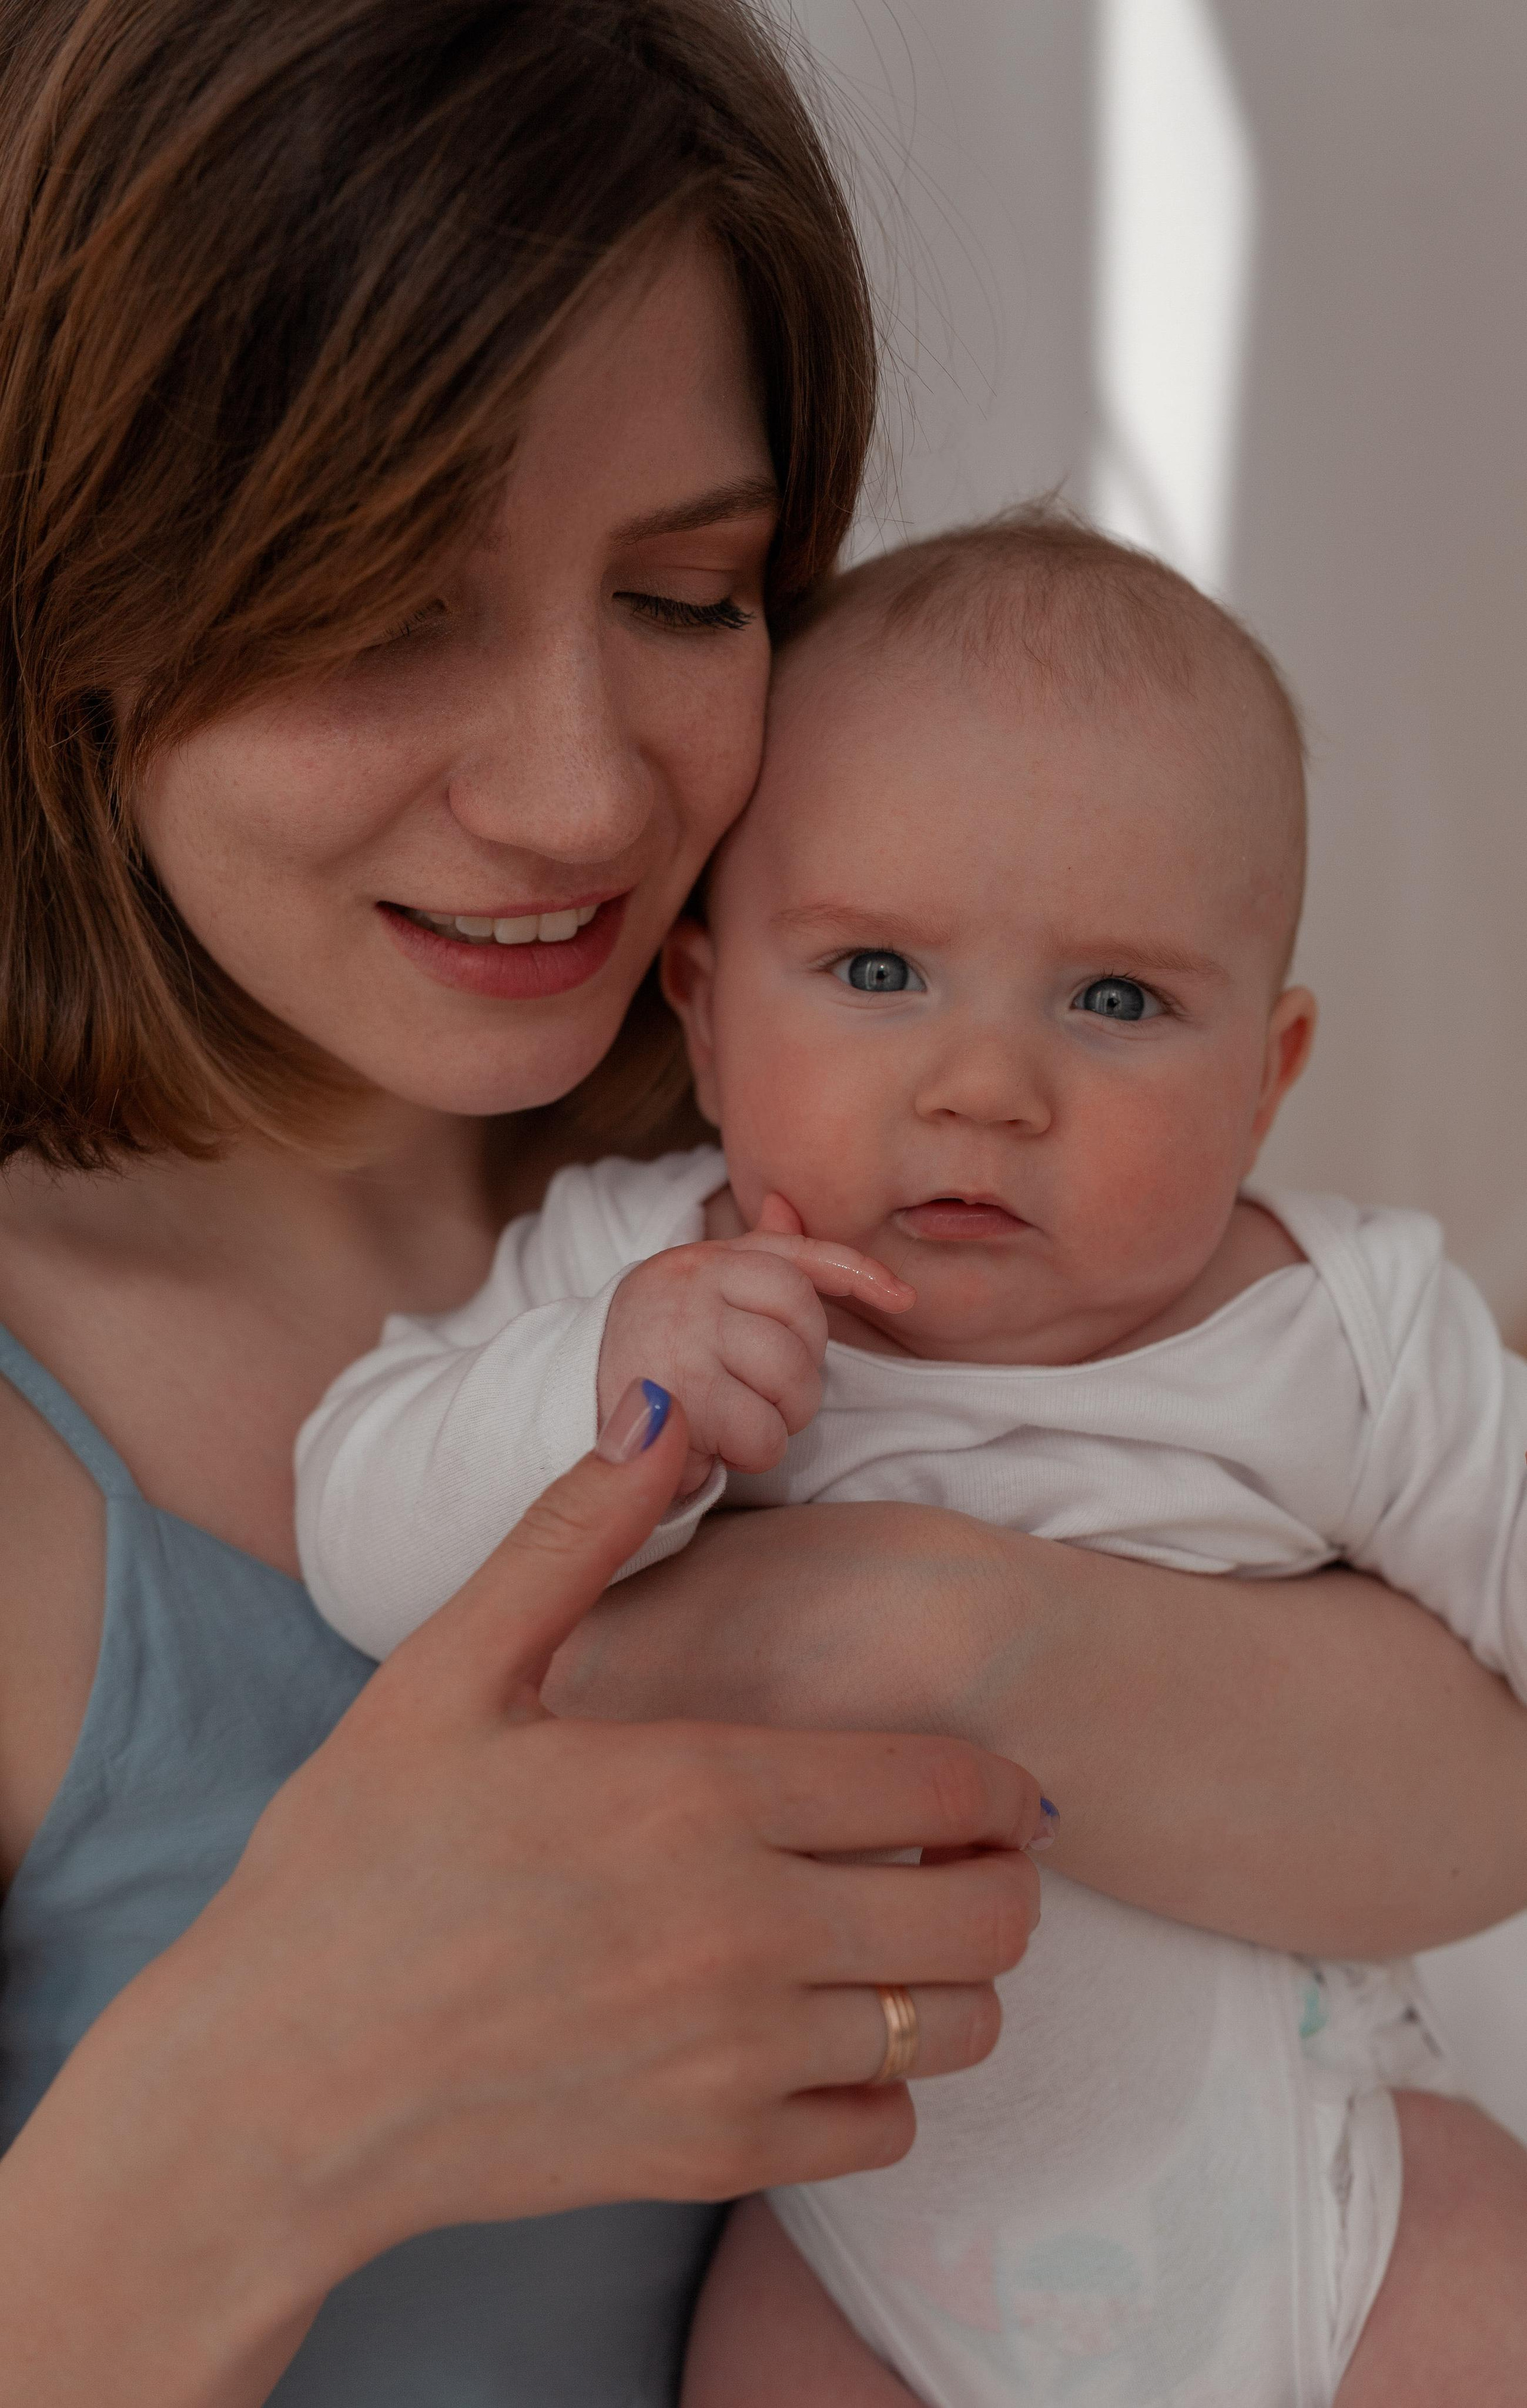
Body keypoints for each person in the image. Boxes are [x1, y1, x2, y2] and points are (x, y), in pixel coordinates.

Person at [0, 5, 1522, 2405]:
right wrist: (276, 2089)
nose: (576, 791)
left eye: (691, 596)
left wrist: (910, 1614)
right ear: (80, 604)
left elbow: (1461, 1800)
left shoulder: (897, 1227)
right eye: (388, 604)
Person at [293, 512, 1527, 2405]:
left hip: (1336, 2200)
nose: (985, 1085)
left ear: (1265, 1078)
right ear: (705, 1013)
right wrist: (597, 1398)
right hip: (870, 2253)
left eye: (1115, 1001)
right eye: (876, 970)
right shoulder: (644, 1273)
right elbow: (361, 1534)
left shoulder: (1337, 1329)